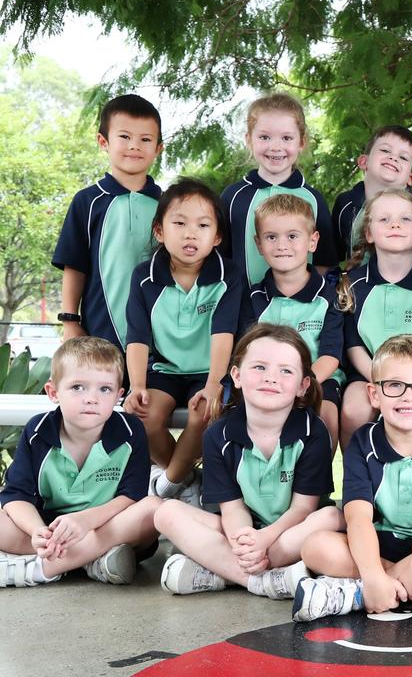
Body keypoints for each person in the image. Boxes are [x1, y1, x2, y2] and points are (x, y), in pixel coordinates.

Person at [293, 336, 412, 620]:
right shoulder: (362, 442)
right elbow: (357, 517)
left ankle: (355, 594)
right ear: (374, 395)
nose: (409, 396)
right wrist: (373, 573)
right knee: (314, 547)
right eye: (394, 385)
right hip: (376, 543)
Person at [154, 324, 341, 598]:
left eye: (286, 370)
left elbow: (303, 509)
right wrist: (245, 542)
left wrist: (264, 540)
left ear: (303, 385)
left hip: (291, 532)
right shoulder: (218, 434)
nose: (271, 378)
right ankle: (262, 581)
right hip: (245, 530)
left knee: (331, 516)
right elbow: (232, 510)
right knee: (166, 513)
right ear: (237, 376)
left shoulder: (314, 432)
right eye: (259, 367)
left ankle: (223, 573)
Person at [0, 337, 161, 587]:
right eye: (77, 387)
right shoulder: (38, 431)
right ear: (53, 392)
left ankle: (44, 568)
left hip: (106, 525)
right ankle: (91, 561)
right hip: (50, 527)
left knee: (153, 508)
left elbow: (132, 496)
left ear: (119, 395)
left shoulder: (131, 431)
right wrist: (36, 532)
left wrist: (85, 521)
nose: (91, 398)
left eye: (104, 389)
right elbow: (16, 495)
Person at [123, 179, 243, 503]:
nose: (191, 233)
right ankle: (187, 481)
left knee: (204, 410)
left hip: (208, 369)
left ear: (216, 237)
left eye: (203, 225)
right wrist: (136, 386)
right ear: (159, 230)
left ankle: (167, 487)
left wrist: (215, 382)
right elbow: (137, 337)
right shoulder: (144, 277)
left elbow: (223, 333)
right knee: (142, 416)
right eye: (179, 223)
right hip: (165, 369)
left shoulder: (227, 275)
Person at [54, 94, 165, 351]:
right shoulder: (87, 201)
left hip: (159, 339)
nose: (134, 146)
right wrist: (70, 320)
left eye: (145, 139)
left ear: (158, 148)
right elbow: (74, 265)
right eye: (124, 137)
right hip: (100, 333)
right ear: (103, 141)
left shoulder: (169, 206)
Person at [336, 188, 412, 449]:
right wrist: (379, 379)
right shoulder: (352, 284)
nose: (395, 224)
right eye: (384, 219)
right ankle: (358, 482)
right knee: (353, 411)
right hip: (367, 374)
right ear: (369, 233)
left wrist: (403, 384)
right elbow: (353, 343)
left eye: (405, 219)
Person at [242, 193, 344, 444]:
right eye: (271, 237)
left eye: (292, 236)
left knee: (327, 416)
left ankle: (313, 482)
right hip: (267, 380)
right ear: (259, 244)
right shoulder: (254, 296)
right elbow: (245, 352)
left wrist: (300, 386)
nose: (281, 245)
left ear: (312, 241)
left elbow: (331, 355)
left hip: (319, 379)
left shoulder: (330, 296)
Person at [220, 92, 338, 286]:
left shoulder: (313, 199)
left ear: (301, 142)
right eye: (265, 137)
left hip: (302, 310)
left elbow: (326, 264)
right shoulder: (233, 197)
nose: (275, 146)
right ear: (249, 139)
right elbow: (219, 258)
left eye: (286, 138)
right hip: (246, 311)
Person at [333, 125, 412, 260]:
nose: (393, 158)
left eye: (403, 157)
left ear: (410, 178)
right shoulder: (345, 204)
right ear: (364, 162)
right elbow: (334, 257)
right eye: (385, 150)